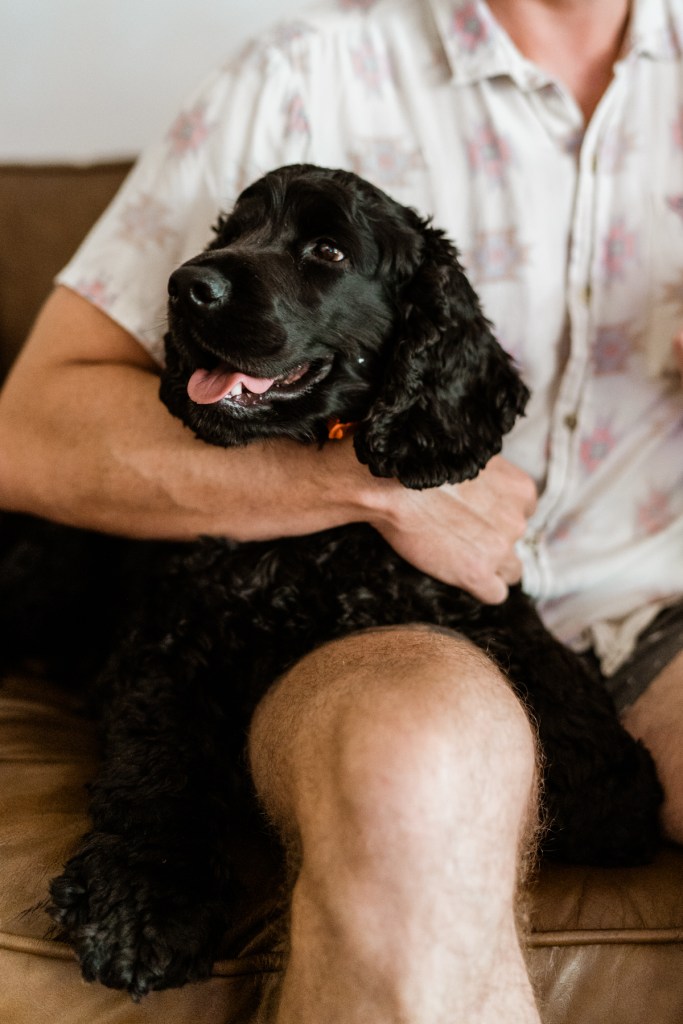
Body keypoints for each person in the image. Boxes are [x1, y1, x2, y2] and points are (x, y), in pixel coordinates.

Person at [0, 0, 681, 1020]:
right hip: (387, 630)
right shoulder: (301, 73)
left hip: (662, 602)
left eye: (317, 254)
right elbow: (25, 433)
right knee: (415, 759)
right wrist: (368, 484)